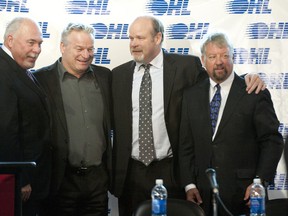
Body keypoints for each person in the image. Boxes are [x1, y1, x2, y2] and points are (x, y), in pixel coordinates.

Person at [111, 16, 266, 216]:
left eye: (140, 38)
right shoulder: (117, 75)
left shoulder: (188, 67)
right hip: (130, 174)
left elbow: (219, 80)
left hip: (171, 172)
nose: (133, 44)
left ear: (157, 38)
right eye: (130, 38)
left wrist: (248, 78)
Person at [178, 32, 284, 216]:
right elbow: (185, 144)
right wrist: (189, 184)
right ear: (203, 60)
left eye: (225, 55)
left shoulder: (253, 92)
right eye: (212, 57)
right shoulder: (191, 95)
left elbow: (272, 141)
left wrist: (259, 182)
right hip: (202, 195)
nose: (219, 61)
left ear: (233, 57)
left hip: (246, 195)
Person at [34, 23, 112, 216]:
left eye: (90, 49)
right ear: (62, 47)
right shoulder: (41, 79)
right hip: (60, 181)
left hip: (98, 180)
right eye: (79, 49)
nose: (86, 55)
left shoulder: (105, 77)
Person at [0, 17, 52, 216]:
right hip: (20, 182)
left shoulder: (18, 68)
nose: (37, 49)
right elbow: (6, 131)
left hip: (35, 178)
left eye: (39, 43)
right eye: (31, 42)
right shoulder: (3, 71)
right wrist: (20, 179)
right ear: (10, 41)